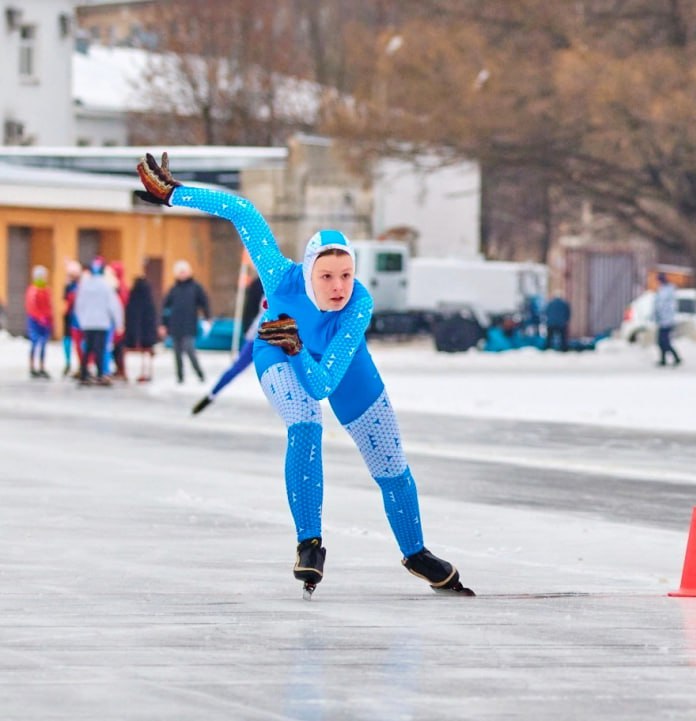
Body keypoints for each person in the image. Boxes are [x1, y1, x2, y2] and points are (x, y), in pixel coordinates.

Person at [137, 151, 473, 597]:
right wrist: (176, 194)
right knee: (305, 423)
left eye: (347, 275)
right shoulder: (280, 278)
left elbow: (322, 384)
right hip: (277, 353)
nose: (338, 286)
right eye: (327, 275)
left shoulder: (359, 305)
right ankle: (309, 542)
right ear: (309, 270)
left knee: (392, 467)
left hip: (339, 366)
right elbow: (242, 210)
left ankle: (416, 553)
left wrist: (302, 349)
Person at [191, 303, 265, 415]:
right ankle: (212, 394)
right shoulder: (267, 290)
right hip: (258, 337)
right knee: (236, 368)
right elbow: (251, 309)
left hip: (277, 337)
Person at [73, 257, 124, 387]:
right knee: (100, 349)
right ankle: (100, 374)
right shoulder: (106, 286)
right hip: (102, 323)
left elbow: (79, 305)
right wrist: (119, 323)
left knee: (87, 348)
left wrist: (81, 320)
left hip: (88, 323)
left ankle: (84, 373)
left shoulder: (84, 286)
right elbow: (114, 305)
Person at [160, 259, 211, 384]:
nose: (182, 275)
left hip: (189, 324)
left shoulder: (195, 287)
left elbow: (204, 303)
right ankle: (180, 377)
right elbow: (165, 308)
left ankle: (200, 374)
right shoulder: (173, 289)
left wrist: (208, 317)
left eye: (184, 272)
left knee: (189, 349)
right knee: (177, 352)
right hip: (175, 325)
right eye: (180, 272)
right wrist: (163, 324)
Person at [123, 276, 160, 382]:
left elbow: (131, 319)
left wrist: (134, 338)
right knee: (147, 352)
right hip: (148, 340)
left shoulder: (132, 299)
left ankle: (124, 372)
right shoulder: (150, 301)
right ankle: (146, 373)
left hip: (131, 338)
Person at [24, 265, 53, 379]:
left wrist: (49, 319)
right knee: (34, 343)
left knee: (43, 345)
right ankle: (32, 367)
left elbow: (49, 306)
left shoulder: (46, 290)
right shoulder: (33, 290)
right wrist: (39, 317)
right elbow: (31, 306)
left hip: (45, 322)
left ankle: (41, 367)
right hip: (35, 321)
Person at [653, 273, 682, 367]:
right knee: (661, 342)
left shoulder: (667, 291)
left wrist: (661, 316)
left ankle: (676, 358)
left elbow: (664, 306)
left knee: (664, 341)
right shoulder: (662, 290)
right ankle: (664, 359)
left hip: (667, 321)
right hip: (662, 320)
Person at [61, 260, 83, 378]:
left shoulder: (81, 286)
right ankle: (68, 362)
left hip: (78, 320)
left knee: (79, 344)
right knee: (68, 341)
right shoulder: (68, 286)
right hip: (71, 318)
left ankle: (81, 364)